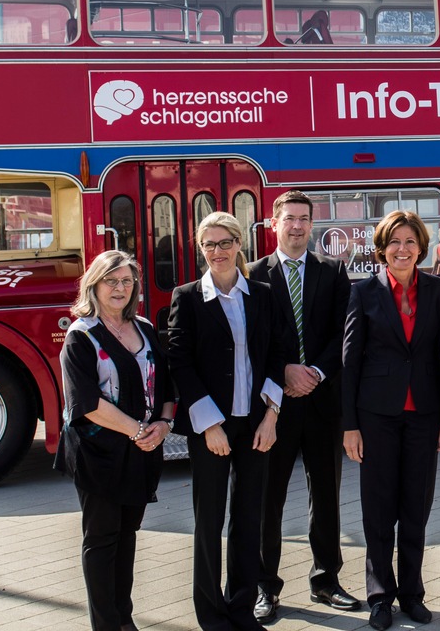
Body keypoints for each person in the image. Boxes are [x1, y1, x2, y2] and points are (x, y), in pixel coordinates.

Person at [168, 211, 296, 631]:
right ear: (200, 249)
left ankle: (241, 608)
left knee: (248, 518)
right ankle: (211, 614)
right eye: (209, 244)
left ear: (240, 244)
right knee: (209, 521)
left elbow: (279, 354)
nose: (217, 252)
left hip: (256, 424)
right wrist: (208, 424)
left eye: (225, 243)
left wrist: (272, 415)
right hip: (213, 427)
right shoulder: (186, 297)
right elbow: (180, 364)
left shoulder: (262, 293)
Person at [341, 209, 440, 630]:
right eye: (394, 242)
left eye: (410, 242)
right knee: (377, 511)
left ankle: (412, 594)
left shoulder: (439, 291)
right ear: (382, 250)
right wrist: (349, 425)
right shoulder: (364, 292)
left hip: (424, 416)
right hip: (376, 417)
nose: (402, 250)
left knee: (415, 509)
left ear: (421, 248)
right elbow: (349, 362)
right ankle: (379, 597)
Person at [249, 191, 359, 622]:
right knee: (267, 497)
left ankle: (326, 581)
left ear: (312, 225)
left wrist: (313, 372)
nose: (296, 226)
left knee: (326, 495)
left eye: (304, 219)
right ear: (274, 223)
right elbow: (254, 341)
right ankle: (265, 588)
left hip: (321, 401)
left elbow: (343, 334)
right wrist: (285, 372)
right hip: (272, 406)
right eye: (289, 218)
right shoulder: (254, 274)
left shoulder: (332, 271)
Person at [55, 250, 175, 631]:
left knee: (127, 536)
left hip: (140, 453)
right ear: (94, 284)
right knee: (102, 539)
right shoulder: (81, 335)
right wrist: (139, 431)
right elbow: (86, 403)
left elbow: (168, 387)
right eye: (111, 280)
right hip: (98, 454)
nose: (120, 288)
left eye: (126, 281)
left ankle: (124, 619)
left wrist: (166, 425)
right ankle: (106, 624)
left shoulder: (143, 327)